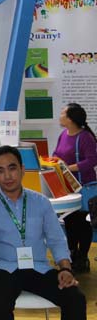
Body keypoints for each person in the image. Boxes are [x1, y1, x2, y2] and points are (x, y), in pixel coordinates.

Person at [0, 145, 86, 320]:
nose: (7, 176)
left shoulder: (41, 202)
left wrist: (65, 268)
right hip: (3, 268)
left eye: (12, 168)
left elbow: (56, 239)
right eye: (0, 171)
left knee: (75, 297)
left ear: (22, 169)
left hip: (38, 267)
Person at [53, 103, 97, 273]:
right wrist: (54, 162)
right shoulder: (63, 135)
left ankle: (82, 257)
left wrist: (68, 168)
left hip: (84, 187)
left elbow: (92, 160)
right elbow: (57, 154)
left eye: (63, 113)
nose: (60, 115)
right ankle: (72, 254)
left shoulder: (85, 137)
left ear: (71, 119)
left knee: (83, 223)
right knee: (70, 222)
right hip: (67, 188)